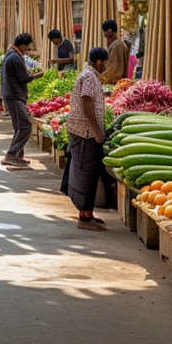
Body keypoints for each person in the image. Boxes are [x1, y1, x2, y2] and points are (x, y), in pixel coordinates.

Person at [64, 46, 113, 230]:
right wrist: (97, 131)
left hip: (82, 130)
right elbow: (86, 100)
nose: (104, 65)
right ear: (97, 61)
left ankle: (87, 213)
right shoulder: (90, 77)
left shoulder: (87, 74)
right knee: (87, 173)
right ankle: (84, 219)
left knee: (86, 171)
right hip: (85, 132)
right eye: (103, 62)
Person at [0, 32, 40, 169]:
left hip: (12, 94)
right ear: (22, 45)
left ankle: (17, 155)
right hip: (14, 95)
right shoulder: (15, 57)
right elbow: (23, 77)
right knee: (26, 125)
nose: (27, 49)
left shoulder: (10, 54)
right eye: (27, 46)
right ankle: (11, 154)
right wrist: (35, 75)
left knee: (19, 126)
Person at [99, 19, 129, 84]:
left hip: (116, 82)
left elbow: (115, 68)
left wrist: (101, 78)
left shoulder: (117, 45)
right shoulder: (118, 43)